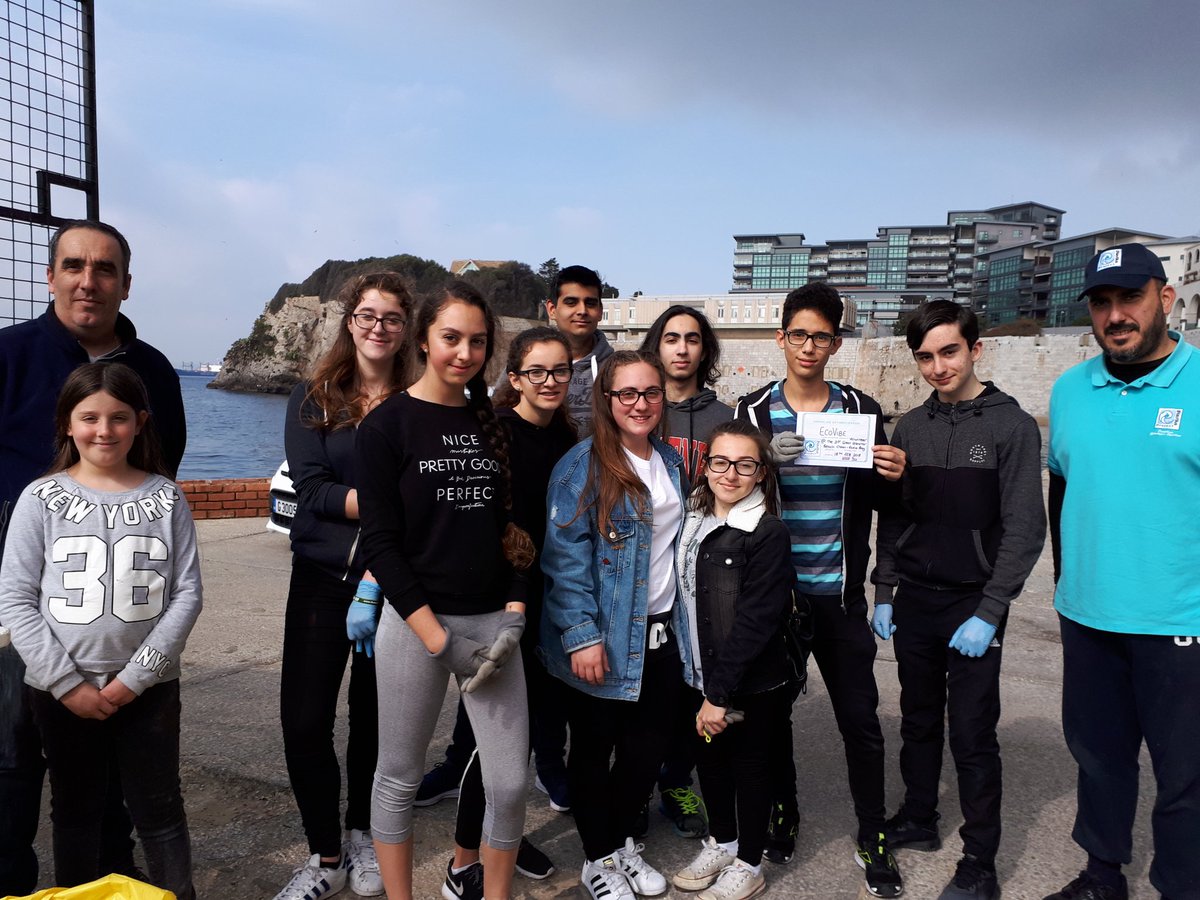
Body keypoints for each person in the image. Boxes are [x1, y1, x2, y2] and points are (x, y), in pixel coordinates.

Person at [0, 219, 186, 897]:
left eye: (104, 269)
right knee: (13, 764)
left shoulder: (155, 373)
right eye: (73, 265)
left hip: (120, 620)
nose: (88, 280)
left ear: (125, 283)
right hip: (18, 613)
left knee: (109, 774)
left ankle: (109, 880)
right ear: (51, 276)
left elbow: (161, 488)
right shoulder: (9, 355)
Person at [356, 281, 534, 900]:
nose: (464, 352)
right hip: (416, 625)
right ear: (425, 338)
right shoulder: (386, 426)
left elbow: (516, 530)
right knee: (398, 777)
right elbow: (381, 544)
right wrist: (439, 639)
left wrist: (514, 612)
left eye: (477, 342)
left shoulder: (496, 425)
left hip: (494, 628)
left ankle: (495, 894)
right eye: (451, 338)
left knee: (510, 783)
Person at [733, 282, 905, 898]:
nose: (809, 346)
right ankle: (786, 810)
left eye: (822, 337)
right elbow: (728, 494)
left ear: (836, 342)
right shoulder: (751, 412)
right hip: (774, 600)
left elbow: (883, 502)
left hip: (837, 595)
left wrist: (894, 474)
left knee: (860, 719)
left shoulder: (859, 407)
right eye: (799, 334)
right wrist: (762, 462)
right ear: (781, 338)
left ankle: (872, 829)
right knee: (773, 718)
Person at [871, 300, 1045, 900]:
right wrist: (885, 589)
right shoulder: (911, 428)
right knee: (918, 723)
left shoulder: (1011, 426)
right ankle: (919, 816)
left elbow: (1025, 527)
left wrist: (991, 610)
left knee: (972, 734)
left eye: (949, 351)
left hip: (972, 606)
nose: (938, 367)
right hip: (916, 600)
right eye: (925, 356)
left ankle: (980, 861)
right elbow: (894, 517)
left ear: (976, 348)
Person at [1043, 244, 1200, 900]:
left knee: (1186, 777)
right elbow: (1060, 491)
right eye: (1103, 303)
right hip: (1088, 616)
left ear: (1165, 299)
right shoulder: (1070, 389)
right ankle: (1102, 875)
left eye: (1130, 298)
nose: (1116, 315)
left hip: (1179, 622)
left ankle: (1180, 885)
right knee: (1100, 761)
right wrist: (1068, 584)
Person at [272, 273, 414, 900]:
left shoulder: (421, 401)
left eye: (390, 317)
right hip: (323, 580)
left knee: (374, 723)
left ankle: (362, 836)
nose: (377, 326)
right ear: (349, 322)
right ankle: (323, 854)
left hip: (395, 586)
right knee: (304, 722)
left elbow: (434, 493)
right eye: (367, 315)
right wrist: (387, 503)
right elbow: (313, 490)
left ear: (406, 327)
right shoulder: (314, 397)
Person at [541, 350, 693, 900]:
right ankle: (598, 858)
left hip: (659, 634)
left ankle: (623, 840)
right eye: (626, 393)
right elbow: (564, 559)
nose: (640, 403)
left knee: (645, 753)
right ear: (606, 401)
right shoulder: (583, 466)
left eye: (650, 392)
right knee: (592, 750)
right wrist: (581, 635)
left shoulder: (671, 462)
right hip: (602, 637)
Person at [442, 326, 578, 898]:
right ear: (515, 378)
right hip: (500, 605)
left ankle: (506, 835)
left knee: (530, 740)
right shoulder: (492, 433)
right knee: (492, 743)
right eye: (537, 372)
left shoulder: (569, 438)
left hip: (552, 603)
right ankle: (462, 861)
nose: (550, 382)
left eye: (560, 372)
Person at [671, 420, 796, 900]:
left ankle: (749, 861)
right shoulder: (692, 517)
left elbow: (755, 621)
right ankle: (722, 842)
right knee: (711, 762)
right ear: (706, 466)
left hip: (750, 682)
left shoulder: (766, 533)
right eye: (720, 462)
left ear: (761, 472)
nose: (730, 474)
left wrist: (719, 695)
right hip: (696, 673)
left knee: (751, 767)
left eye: (745, 464)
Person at [637, 304, 732, 839]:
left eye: (692, 339)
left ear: (704, 350)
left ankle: (676, 780)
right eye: (670, 337)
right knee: (645, 693)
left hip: (702, 579)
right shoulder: (638, 409)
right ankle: (632, 783)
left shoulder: (723, 417)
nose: (681, 348)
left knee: (691, 694)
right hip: (642, 579)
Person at [543, 264, 613, 437]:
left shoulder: (617, 368)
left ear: (600, 311)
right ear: (552, 309)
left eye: (590, 303)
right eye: (571, 302)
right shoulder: (527, 363)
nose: (582, 311)